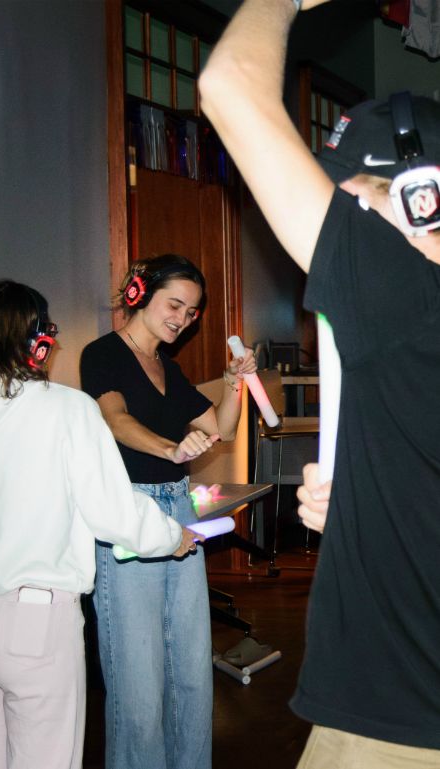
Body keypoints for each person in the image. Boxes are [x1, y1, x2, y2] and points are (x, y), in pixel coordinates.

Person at [199, 1, 440, 767]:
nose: (341, 219)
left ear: (426, 196)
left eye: (357, 197)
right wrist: (371, 500)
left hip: (397, 725)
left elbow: (229, 87)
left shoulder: (409, 297)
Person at [0, 279, 198, 769]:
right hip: (37, 624)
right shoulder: (66, 409)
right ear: (39, 343)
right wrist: (171, 536)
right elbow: (113, 512)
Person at [80, 253, 256, 769]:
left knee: (191, 666)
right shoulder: (103, 354)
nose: (183, 319)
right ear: (140, 294)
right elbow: (114, 420)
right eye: (174, 304)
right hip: (130, 510)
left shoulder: (169, 368)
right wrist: (170, 448)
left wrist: (234, 381)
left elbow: (221, 426)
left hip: (178, 505)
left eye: (192, 312)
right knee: (137, 673)